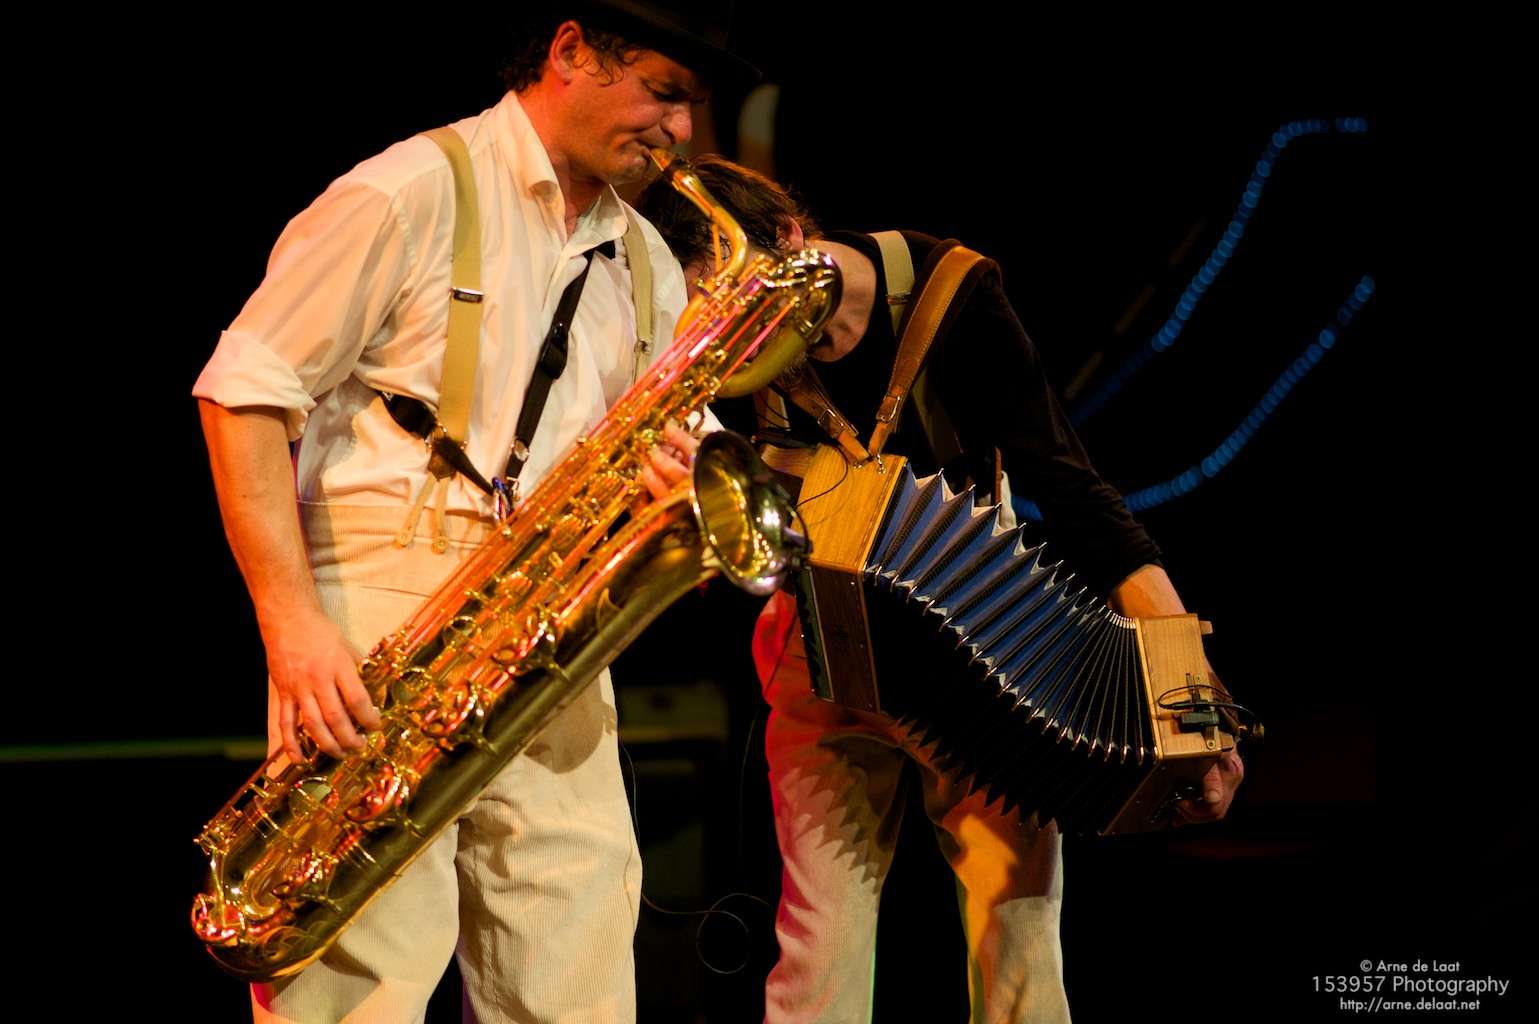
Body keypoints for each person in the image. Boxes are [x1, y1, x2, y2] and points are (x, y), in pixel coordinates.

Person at [191, 5, 757, 1021]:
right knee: (357, 985)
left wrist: (684, 478)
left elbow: (679, 444)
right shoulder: (406, 190)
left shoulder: (647, 258)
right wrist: (292, 621)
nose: (679, 130)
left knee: (576, 985)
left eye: (691, 105)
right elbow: (243, 393)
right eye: (663, 93)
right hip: (380, 611)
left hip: (552, 618)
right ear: (572, 52)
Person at [636, 155, 1246, 1023]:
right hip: (818, 652)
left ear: (790, 240)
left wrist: (1193, 702)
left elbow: (1075, 493)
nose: (727, 343)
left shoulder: (948, 293)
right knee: (817, 949)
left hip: (985, 658)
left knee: (1020, 938)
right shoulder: (721, 358)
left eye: (735, 308)